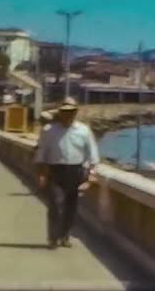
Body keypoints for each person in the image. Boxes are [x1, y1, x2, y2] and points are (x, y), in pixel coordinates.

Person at [34, 97, 100, 249]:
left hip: (76, 171)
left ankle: (65, 236)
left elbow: (93, 155)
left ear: (75, 112)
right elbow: (41, 153)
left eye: (70, 111)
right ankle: (52, 237)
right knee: (55, 204)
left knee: (71, 207)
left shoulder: (84, 130)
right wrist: (42, 174)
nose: (67, 114)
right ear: (60, 112)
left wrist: (91, 174)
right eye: (64, 111)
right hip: (56, 172)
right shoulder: (49, 131)